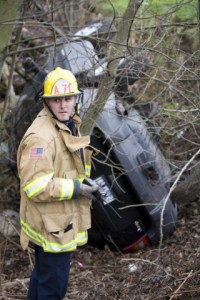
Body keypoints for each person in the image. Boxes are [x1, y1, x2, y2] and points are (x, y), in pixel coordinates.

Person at [17, 67, 99, 300]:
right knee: (52, 288)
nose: (63, 105)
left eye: (68, 98)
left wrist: (85, 180)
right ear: (46, 102)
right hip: (52, 226)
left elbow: (67, 164)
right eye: (56, 100)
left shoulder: (67, 123)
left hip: (57, 220)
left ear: (76, 98)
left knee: (43, 280)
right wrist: (76, 188)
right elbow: (35, 186)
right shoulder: (40, 139)